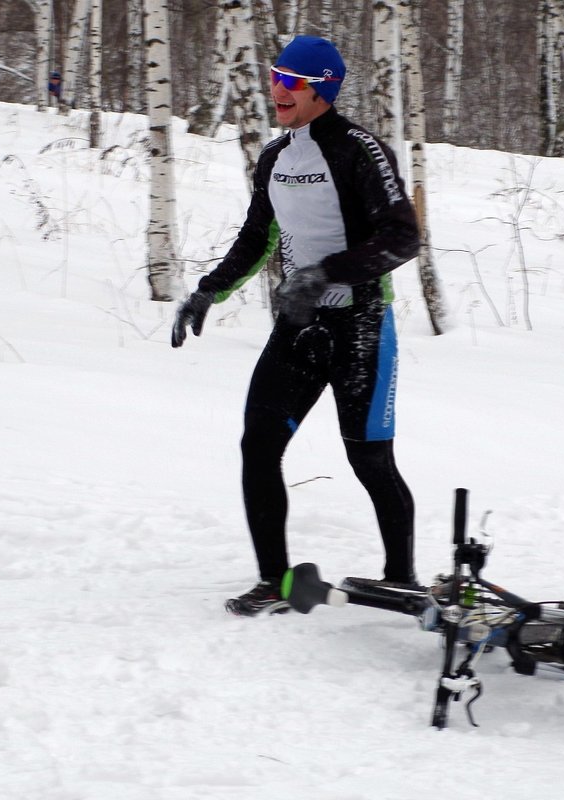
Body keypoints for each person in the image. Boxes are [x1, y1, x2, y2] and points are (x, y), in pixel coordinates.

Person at [171, 35, 420, 616]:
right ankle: (275, 583)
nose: (276, 89)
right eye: (274, 76)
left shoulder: (360, 150)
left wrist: (326, 272)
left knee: (370, 461)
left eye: (290, 80)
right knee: (258, 445)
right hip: (299, 328)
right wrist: (208, 291)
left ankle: (402, 581)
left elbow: (404, 237)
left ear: (322, 88)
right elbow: (258, 238)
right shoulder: (277, 158)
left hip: (360, 328)